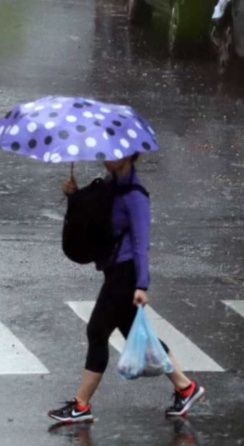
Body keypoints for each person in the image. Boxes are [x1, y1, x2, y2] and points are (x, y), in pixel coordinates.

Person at [48, 154, 205, 423]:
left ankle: (82, 405)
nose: (107, 158)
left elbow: (142, 245)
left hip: (127, 274)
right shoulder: (111, 186)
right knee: (136, 333)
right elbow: (92, 218)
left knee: (97, 330)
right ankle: (185, 387)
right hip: (113, 270)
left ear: (131, 156)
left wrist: (142, 284)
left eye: (115, 154)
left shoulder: (136, 196)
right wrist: (73, 196)